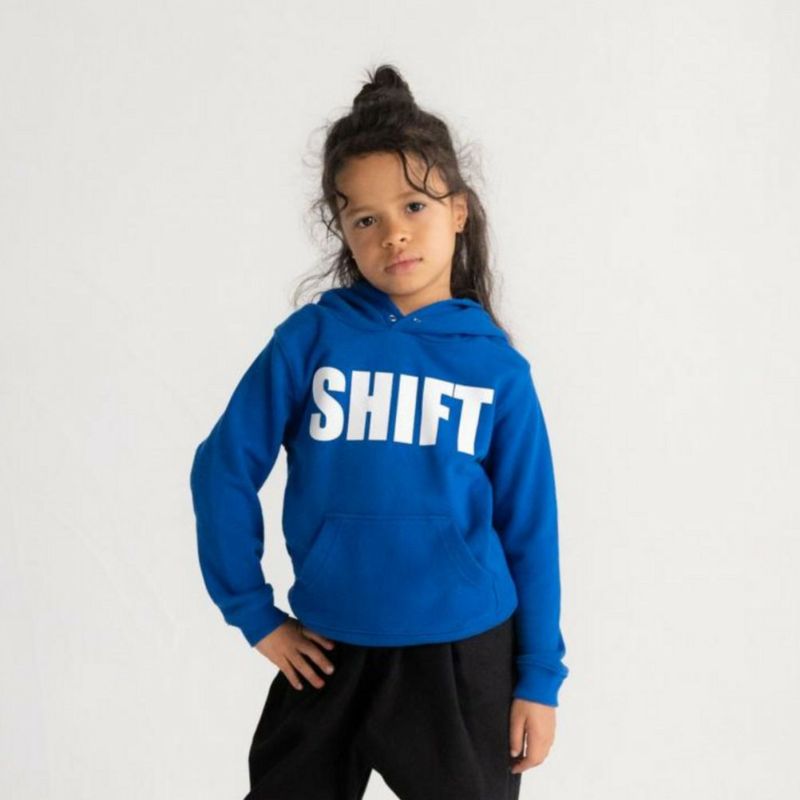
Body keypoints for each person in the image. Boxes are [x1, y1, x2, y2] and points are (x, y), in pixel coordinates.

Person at [189, 62, 570, 800]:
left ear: (458, 211)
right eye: (365, 219)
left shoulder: (496, 369)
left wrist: (539, 679)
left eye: (414, 206)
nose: (393, 233)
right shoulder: (311, 341)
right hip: (327, 651)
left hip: (462, 654)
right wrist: (253, 613)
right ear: (342, 231)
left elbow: (532, 528)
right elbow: (222, 468)